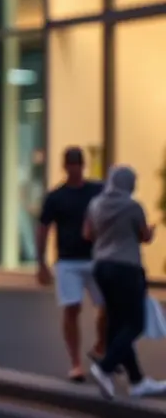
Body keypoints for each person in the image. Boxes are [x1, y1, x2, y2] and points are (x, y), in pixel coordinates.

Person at [85, 165, 166, 399]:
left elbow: (88, 234)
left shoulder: (95, 204)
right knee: (135, 323)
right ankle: (105, 367)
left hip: (101, 266)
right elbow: (143, 236)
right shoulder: (132, 206)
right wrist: (150, 232)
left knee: (118, 323)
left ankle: (137, 380)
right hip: (127, 268)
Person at [37, 146, 106, 382]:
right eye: (71, 165)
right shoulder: (56, 197)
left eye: (78, 164)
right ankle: (76, 363)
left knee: (107, 306)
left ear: (82, 166)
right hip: (68, 261)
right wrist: (41, 262)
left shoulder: (97, 190)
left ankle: (100, 346)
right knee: (72, 308)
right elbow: (44, 228)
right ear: (65, 167)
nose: (75, 169)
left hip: (95, 257)